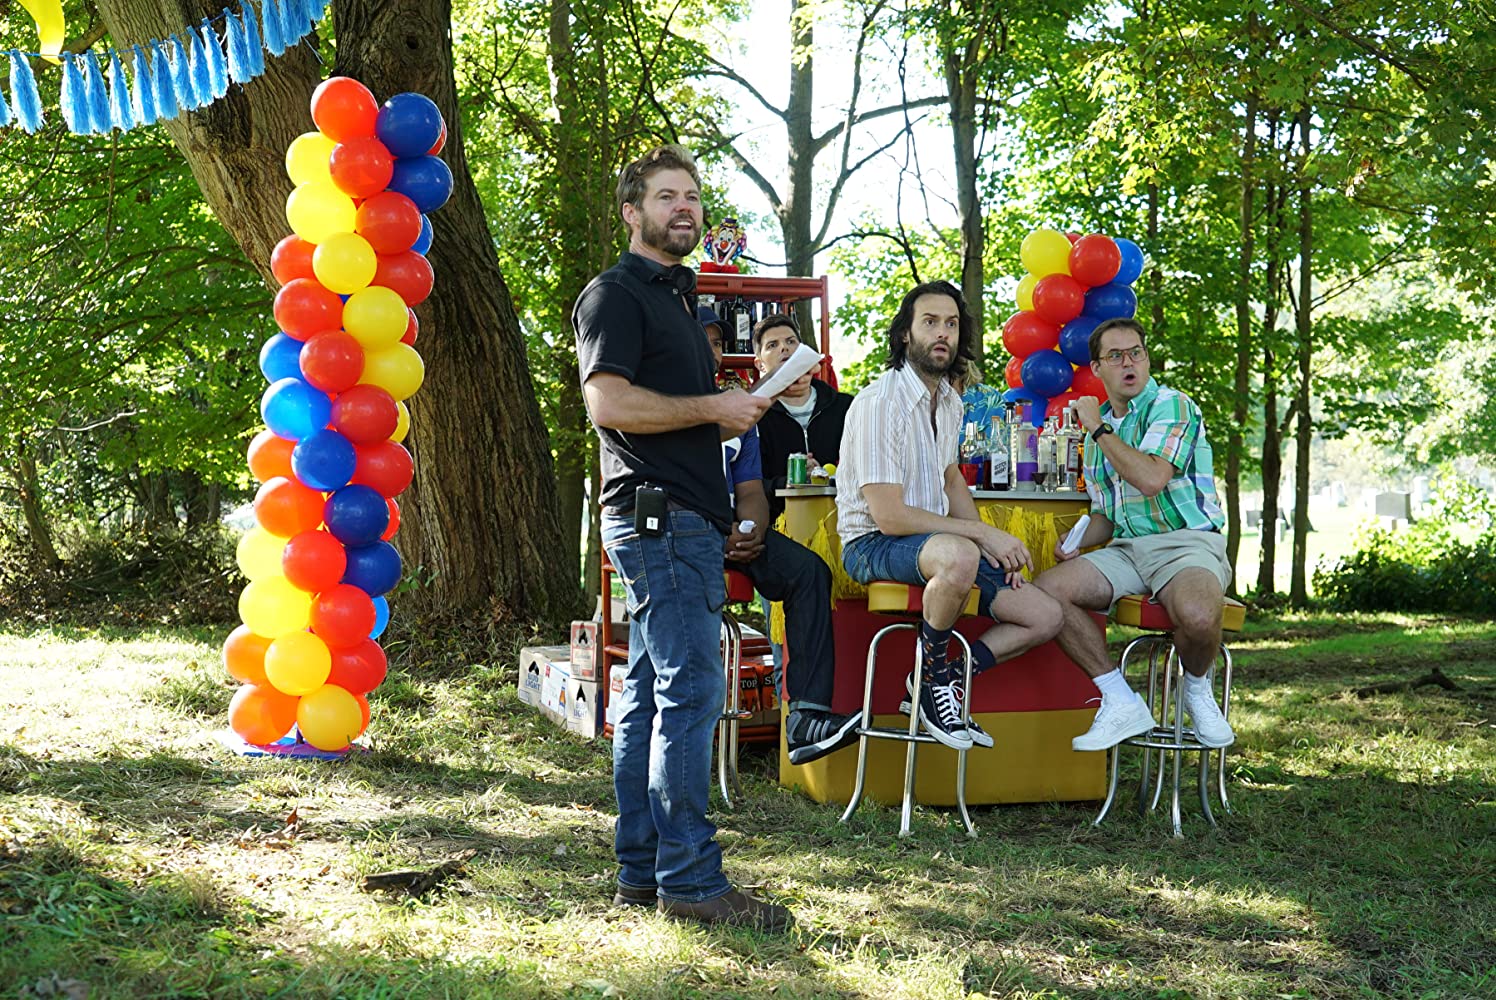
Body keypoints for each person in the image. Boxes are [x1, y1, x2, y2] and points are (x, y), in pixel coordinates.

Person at [573, 144, 790, 932]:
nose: (684, 208)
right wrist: (712, 409)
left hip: (679, 519)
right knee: (691, 692)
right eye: (667, 196)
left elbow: (670, 412)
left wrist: (726, 412)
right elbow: (609, 405)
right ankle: (693, 883)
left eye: (692, 196)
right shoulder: (616, 294)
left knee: (647, 698)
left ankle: (642, 873)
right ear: (632, 212)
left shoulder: (680, 304)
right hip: (659, 521)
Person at [835, 281, 1064, 750]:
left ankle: (938, 679)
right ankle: (933, 681)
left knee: (1044, 615)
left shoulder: (951, 401)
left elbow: (951, 479)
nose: (943, 333)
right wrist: (979, 535)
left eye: (952, 324)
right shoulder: (880, 403)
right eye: (930, 322)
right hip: (871, 544)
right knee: (960, 554)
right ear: (905, 333)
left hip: (934, 547)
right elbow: (889, 517)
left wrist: (990, 547)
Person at [1034, 317, 1236, 752]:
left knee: (1200, 617)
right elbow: (1108, 515)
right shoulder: (1099, 435)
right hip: (1127, 550)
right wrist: (1077, 540)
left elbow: (1150, 479)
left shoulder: (1171, 405)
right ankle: (1119, 698)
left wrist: (1098, 429)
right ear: (1097, 368)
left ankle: (1195, 688)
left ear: (1146, 358)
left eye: (1136, 353)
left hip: (1186, 542)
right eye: (1116, 356)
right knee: (1046, 591)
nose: (1129, 363)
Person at [700, 308, 863, 766]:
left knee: (809, 572)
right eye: (773, 345)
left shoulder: (741, 410)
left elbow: (750, 489)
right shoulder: (666, 404)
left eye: (718, 343)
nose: (712, 351)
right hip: (687, 531)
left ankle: (806, 716)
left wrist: (751, 529)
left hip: (747, 531)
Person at [752, 313, 853, 522]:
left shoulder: (845, 407)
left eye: (791, 342)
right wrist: (789, 481)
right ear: (760, 364)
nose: (784, 348)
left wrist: (826, 476)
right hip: (779, 524)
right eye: (772, 345)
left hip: (843, 523)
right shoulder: (754, 417)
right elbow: (749, 485)